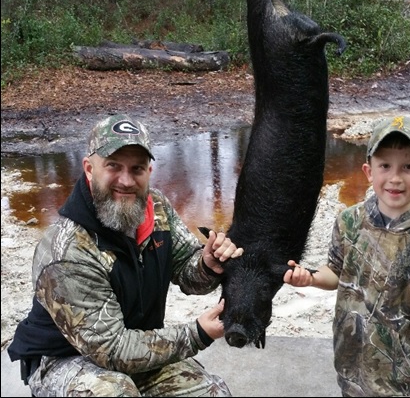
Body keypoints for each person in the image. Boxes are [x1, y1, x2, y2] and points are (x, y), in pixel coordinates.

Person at [6, 114, 243, 396]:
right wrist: (198, 333)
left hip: (135, 345)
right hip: (63, 360)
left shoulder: (157, 210)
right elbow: (113, 350)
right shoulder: (68, 251)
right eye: (113, 166)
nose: (126, 180)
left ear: (149, 172)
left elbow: (188, 276)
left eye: (137, 168)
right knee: (114, 391)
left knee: (211, 391)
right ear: (89, 169)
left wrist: (207, 264)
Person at [283, 116, 410, 396]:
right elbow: (335, 272)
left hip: (405, 384)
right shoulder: (349, 221)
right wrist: (308, 278)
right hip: (350, 372)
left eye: (408, 167)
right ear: (368, 171)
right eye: (385, 166)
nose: (395, 178)